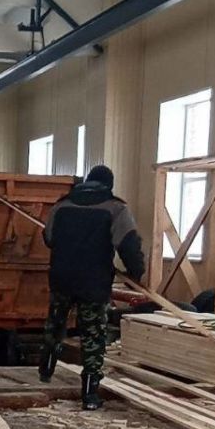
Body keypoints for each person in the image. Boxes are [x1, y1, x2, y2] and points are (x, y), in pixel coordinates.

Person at [39, 165, 146, 411]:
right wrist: (136, 274)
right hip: (94, 283)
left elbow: (49, 238)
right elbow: (129, 245)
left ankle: (45, 369)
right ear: (110, 185)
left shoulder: (62, 205)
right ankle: (89, 394)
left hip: (62, 278)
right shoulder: (116, 208)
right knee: (93, 336)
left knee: (55, 324)